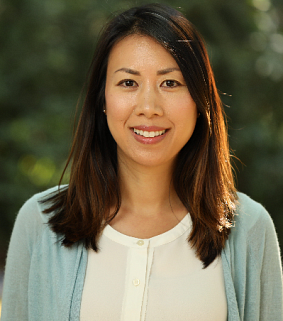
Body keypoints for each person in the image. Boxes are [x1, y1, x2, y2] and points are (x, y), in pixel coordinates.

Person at [1, 3, 282, 321]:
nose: (149, 107)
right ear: (102, 99)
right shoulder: (39, 224)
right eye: (128, 83)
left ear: (199, 101)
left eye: (170, 83)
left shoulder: (249, 230)